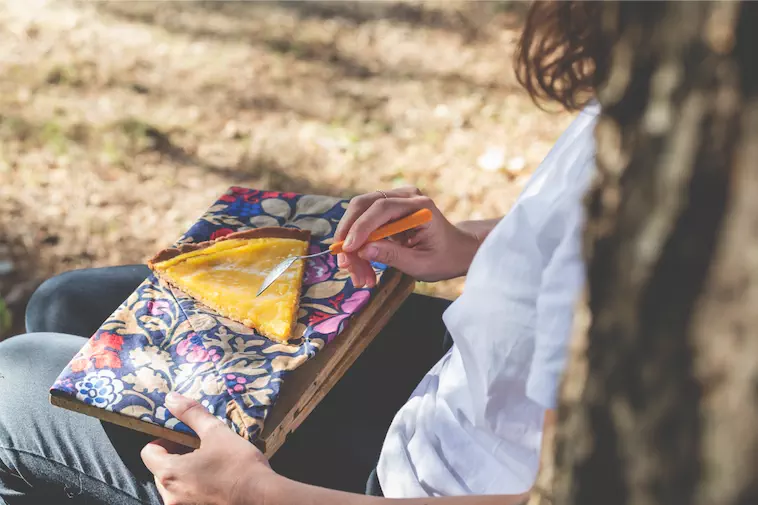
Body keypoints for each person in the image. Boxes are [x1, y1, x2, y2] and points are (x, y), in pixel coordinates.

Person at [0, 2, 607, 504]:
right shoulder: (667, 103)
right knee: (65, 304)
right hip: (456, 389)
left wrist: (257, 494)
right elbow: (582, 234)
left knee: (11, 388)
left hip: (411, 488)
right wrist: (471, 243)